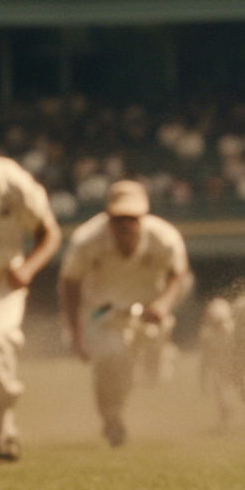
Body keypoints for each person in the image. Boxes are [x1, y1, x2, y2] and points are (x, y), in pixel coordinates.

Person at [59, 180, 192, 447]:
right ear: (108, 215)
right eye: (119, 218)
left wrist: (164, 303)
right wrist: (76, 333)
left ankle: (158, 357)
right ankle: (111, 416)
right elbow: (70, 282)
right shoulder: (87, 239)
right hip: (102, 313)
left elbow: (177, 274)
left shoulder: (164, 237)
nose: (125, 225)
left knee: (150, 374)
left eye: (132, 218)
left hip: (148, 312)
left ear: (143, 215)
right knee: (111, 357)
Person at [0, 156, 62, 463]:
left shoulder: (10, 179)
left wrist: (29, 269)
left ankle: (5, 430)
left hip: (4, 282)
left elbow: (49, 232)